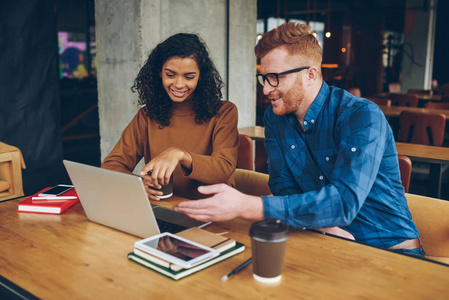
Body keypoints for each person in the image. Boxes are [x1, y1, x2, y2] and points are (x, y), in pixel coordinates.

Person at [175, 22, 424, 256]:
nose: (265, 89)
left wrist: (248, 206)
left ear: (310, 75)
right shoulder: (275, 119)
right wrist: (318, 226)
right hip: (328, 244)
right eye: (264, 77)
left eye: (275, 77)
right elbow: (283, 185)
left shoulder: (361, 115)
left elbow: (343, 203)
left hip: (392, 252)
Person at [102, 33, 239, 200]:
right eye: (170, 75)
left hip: (212, 210)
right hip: (164, 207)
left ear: (200, 76)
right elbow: (112, 165)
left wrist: (180, 154)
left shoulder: (224, 112)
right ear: (160, 72)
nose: (179, 84)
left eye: (189, 77)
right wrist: (136, 183)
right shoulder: (146, 116)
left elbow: (223, 168)